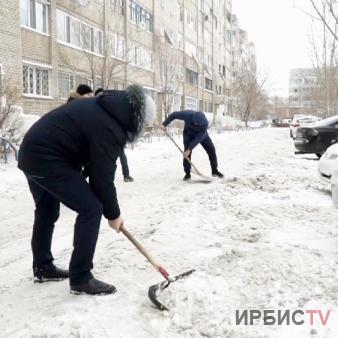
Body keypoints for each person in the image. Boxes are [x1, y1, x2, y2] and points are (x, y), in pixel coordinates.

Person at [18, 85, 155, 295]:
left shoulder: (105, 108)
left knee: (47, 210)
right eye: (145, 126)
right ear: (137, 118)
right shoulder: (111, 127)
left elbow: (94, 163)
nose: (144, 131)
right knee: (91, 208)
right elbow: (102, 180)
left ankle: (43, 266)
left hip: (32, 151)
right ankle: (81, 278)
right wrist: (113, 214)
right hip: (45, 157)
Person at [161, 110, 224, 181]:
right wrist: (164, 124)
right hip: (188, 134)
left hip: (201, 136)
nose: (195, 125)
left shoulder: (205, 124)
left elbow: (198, 138)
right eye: (194, 123)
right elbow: (174, 115)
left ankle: (214, 171)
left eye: (197, 124)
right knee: (187, 154)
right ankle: (187, 174)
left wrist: (190, 149)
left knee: (211, 150)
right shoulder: (188, 115)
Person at [95, 88, 134, 183]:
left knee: (121, 156)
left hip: (114, 137)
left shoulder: (109, 105)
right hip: (102, 137)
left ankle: (126, 175)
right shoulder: (96, 107)